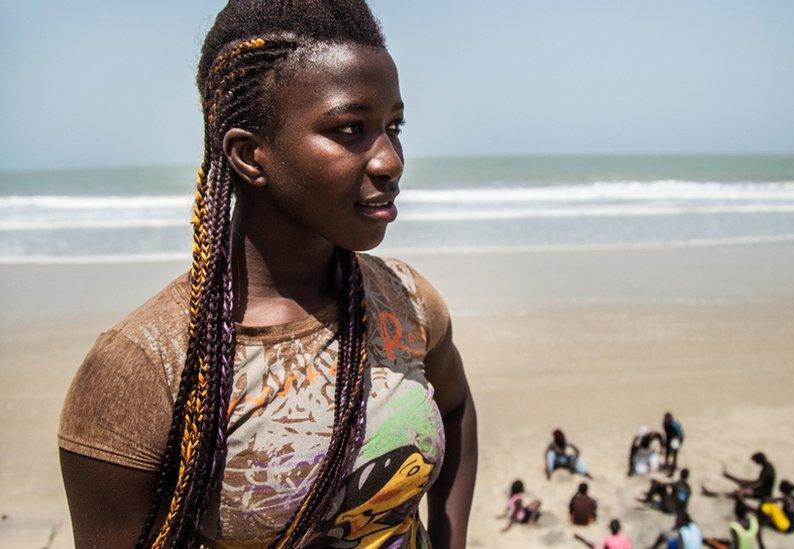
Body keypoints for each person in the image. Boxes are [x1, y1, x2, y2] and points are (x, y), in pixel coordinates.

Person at [57, 2, 478, 547]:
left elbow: (456, 407)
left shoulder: (405, 299)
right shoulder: (144, 366)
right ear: (251, 155)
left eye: (392, 126)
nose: (390, 160)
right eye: (351, 128)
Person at [702, 452, 776, 500]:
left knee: (736, 493)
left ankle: (712, 494)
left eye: (755, 462)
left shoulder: (767, 470)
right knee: (742, 482)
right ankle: (727, 476)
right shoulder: (767, 467)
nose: (755, 463)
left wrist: (748, 490)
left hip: (763, 493)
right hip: (761, 489)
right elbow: (759, 482)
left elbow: (759, 484)